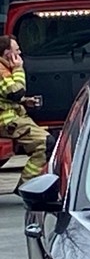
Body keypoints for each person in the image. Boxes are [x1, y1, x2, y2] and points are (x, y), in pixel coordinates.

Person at [0, 36, 53, 191]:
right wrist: (18, 69)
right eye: (16, 50)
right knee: (46, 144)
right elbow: (14, 92)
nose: (20, 52)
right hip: (7, 121)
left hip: (12, 118)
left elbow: (8, 95)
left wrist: (24, 101)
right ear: (7, 53)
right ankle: (26, 186)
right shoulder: (2, 70)